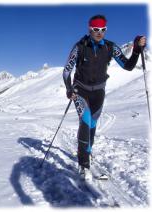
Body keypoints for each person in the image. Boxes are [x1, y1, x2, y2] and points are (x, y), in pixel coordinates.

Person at [62, 14, 146, 180]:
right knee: (85, 121)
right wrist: (69, 89)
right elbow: (66, 70)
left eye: (103, 29)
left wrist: (136, 49)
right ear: (89, 29)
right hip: (81, 91)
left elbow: (128, 66)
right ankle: (83, 164)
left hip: (99, 92)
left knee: (93, 125)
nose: (99, 32)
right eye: (95, 29)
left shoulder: (110, 47)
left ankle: (88, 152)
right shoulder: (80, 47)